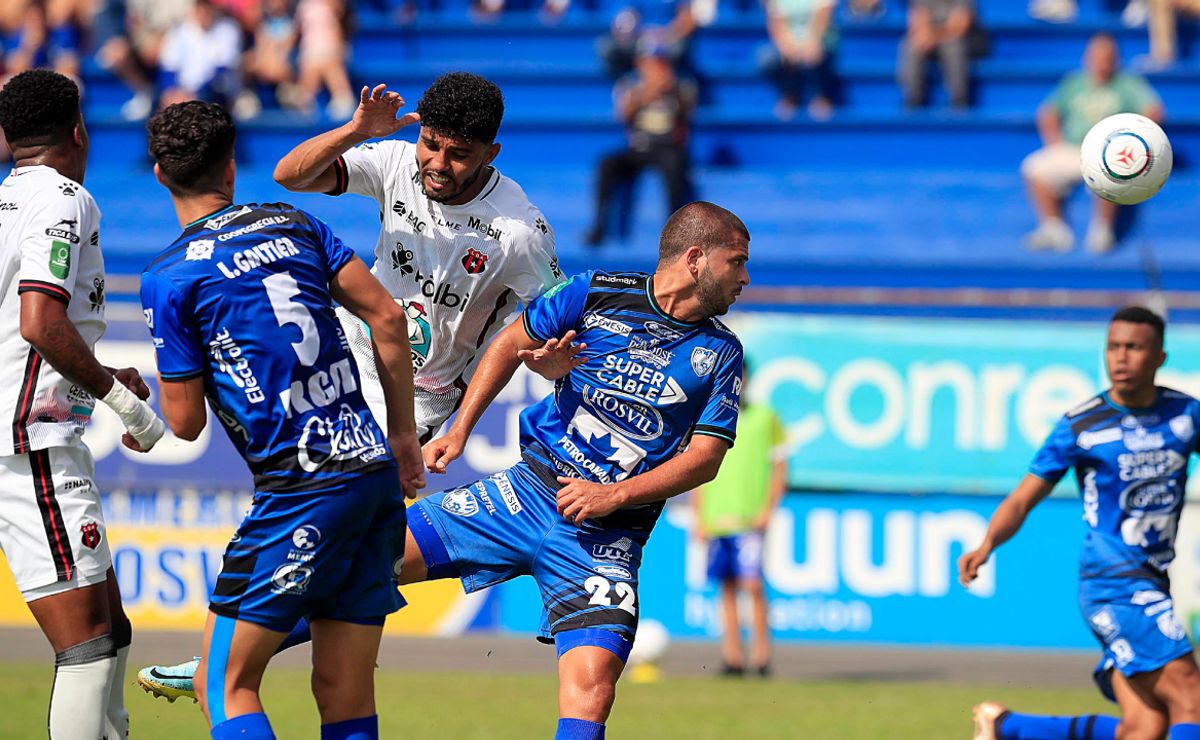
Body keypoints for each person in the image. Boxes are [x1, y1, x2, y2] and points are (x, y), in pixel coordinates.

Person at [136, 71, 565, 700]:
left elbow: (542, 328)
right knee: (341, 546)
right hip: (338, 373)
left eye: (459, 153)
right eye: (432, 144)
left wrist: (537, 370)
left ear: (490, 154)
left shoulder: (520, 231)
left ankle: (221, 662)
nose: (438, 164)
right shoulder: (393, 164)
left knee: (354, 552)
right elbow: (291, 175)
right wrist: (357, 130)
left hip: (413, 400)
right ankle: (222, 662)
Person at [398, 200, 748, 739]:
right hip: (521, 495)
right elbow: (512, 343)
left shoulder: (721, 352)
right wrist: (459, 429)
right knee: (365, 559)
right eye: (737, 261)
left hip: (605, 539)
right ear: (697, 258)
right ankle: (233, 673)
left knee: (593, 689)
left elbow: (704, 459)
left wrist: (616, 496)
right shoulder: (596, 290)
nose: (745, 278)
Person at [140, 100, 426, 739]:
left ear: (160, 174)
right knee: (342, 691)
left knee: (223, 684)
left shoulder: (168, 277)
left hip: (301, 490)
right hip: (372, 472)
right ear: (232, 168)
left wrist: (139, 411)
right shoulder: (293, 223)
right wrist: (403, 436)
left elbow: (183, 424)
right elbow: (388, 317)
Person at [0, 69, 165, 740]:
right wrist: (123, 403)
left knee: (110, 625)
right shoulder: (64, 199)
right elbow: (40, 322)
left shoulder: (8, 200)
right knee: (88, 641)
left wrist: (97, 371)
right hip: (30, 443)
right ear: (78, 132)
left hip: (32, 427)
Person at [961, 306, 1200, 740]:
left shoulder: (1185, 416)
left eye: (1134, 347)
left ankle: (1004, 726)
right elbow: (1021, 498)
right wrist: (986, 544)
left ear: (1159, 357)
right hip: (1113, 581)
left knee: (1145, 727)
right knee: (1191, 697)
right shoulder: (1082, 425)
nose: (1121, 357)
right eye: (1113, 347)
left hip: (1153, 578)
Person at [1021, 34, 1163, 254]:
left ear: (1116, 58)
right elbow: (1048, 113)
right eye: (1096, 55)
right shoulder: (1074, 83)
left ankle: (1102, 229)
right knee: (1034, 167)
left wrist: (1135, 140)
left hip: (1110, 149)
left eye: (1107, 56)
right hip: (1073, 148)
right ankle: (1054, 227)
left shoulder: (1128, 84)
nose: (1101, 61)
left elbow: (1154, 110)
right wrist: (1054, 142)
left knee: (1110, 168)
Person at [692, 361, 787, 677]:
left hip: (749, 517)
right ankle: (732, 657)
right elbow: (696, 466)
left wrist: (767, 509)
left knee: (753, 585)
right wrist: (698, 516)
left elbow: (780, 465)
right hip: (717, 516)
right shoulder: (710, 414)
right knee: (727, 588)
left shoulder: (765, 417)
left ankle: (762, 656)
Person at [584, 42, 696, 247]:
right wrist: (647, 91)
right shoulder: (630, 85)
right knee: (607, 163)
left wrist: (671, 90)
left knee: (675, 166)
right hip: (639, 146)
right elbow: (623, 114)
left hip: (668, 148)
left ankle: (674, 232)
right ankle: (599, 225)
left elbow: (689, 112)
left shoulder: (681, 85)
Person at [760, 0, 837, 121]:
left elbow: (824, 15)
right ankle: (790, 96)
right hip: (789, 42)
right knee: (767, 58)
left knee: (817, 53)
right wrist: (787, 46)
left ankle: (819, 97)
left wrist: (812, 41)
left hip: (818, 39)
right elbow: (776, 22)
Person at [898, 0, 976, 110]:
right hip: (931, 36)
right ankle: (912, 100)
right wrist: (924, 35)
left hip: (954, 36)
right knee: (910, 45)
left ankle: (958, 101)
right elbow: (918, 19)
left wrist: (934, 36)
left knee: (954, 46)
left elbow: (959, 25)